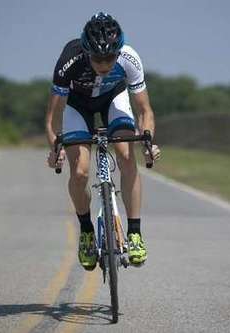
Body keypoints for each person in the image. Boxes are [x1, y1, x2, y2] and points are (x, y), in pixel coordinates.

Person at [45, 12, 160, 270]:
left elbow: (145, 111)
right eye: (98, 58)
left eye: (110, 57)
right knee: (80, 172)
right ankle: (86, 231)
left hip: (113, 98)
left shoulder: (130, 58)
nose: (105, 63)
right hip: (78, 104)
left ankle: (135, 233)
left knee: (128, 157)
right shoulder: (69, 60)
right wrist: (55, 147)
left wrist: (148, 141)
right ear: (87, 52)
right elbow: (52, 118)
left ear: (119, 52)